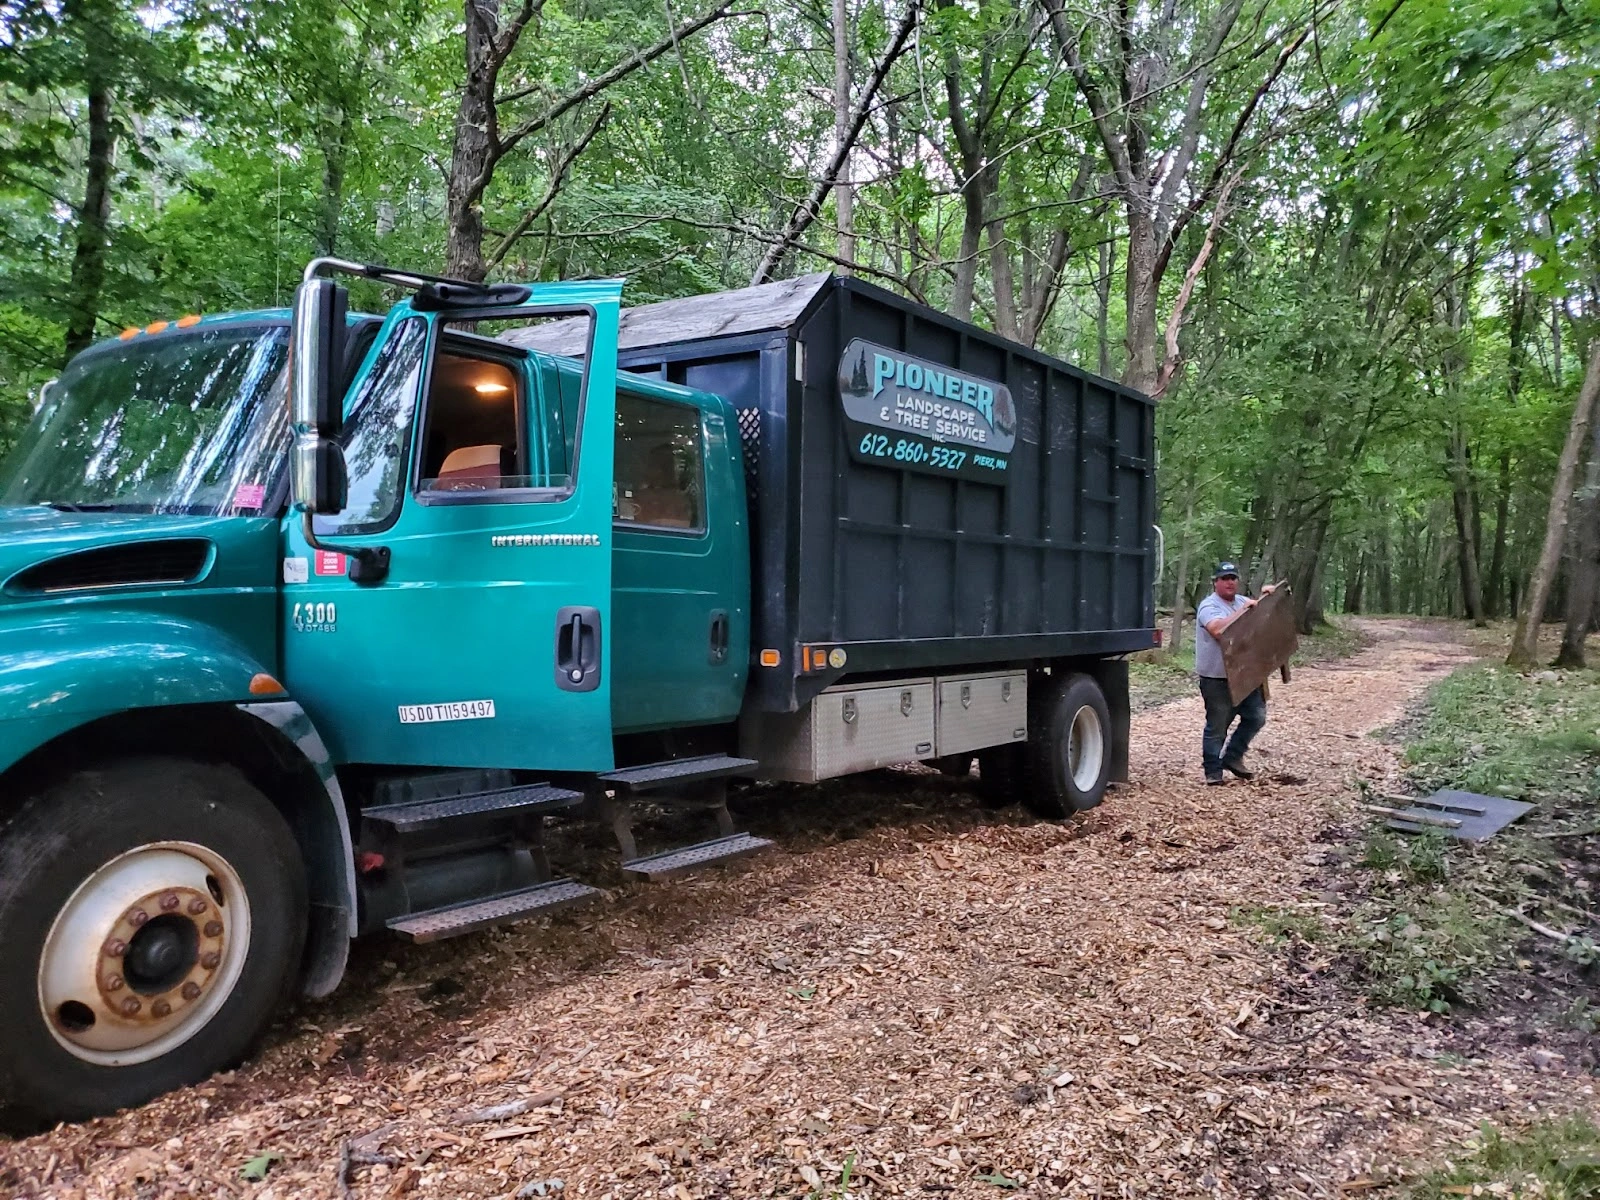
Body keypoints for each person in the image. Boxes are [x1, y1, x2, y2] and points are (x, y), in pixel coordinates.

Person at [1194, 562, 1275, 785]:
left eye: (1233, 578)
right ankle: (1213, 772)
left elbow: (1263, 621)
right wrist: (1245, 609)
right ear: (1216, 582)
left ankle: (1232, 757)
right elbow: (1218, 630)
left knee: (1256, 717)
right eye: (1224, 578)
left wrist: (1267, 598)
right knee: (1218, 724)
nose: (1230, 582)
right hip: (1216, 677)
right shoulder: (1209, 606)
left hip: (1244, 675)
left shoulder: (1242, 602)